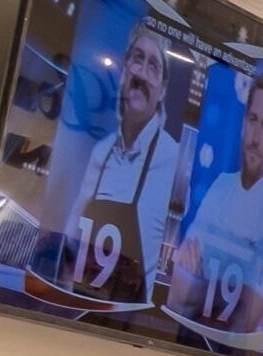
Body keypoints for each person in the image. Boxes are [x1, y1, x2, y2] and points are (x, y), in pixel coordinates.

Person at [58, 30, 185, 307]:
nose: (142, 74)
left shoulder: (173, 157)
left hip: (129, 317)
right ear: (125, 70)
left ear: (163, 89)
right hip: (77, 305)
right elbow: (71, 236)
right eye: (137, 60)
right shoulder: (101, 152)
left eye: (153, 67)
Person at [172, 75, 263, 336]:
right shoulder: (220, 186)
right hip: (181, 334)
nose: (255, 137)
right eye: (252, 120)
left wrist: (198, 282)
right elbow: (176, 292)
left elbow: (247, 320)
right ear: (243, 125)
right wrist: (225, 292)